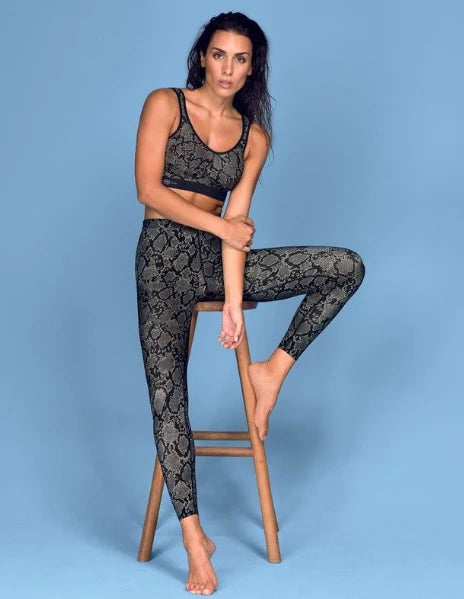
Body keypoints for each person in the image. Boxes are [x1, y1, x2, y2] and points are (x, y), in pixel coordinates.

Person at [134, 11, 365, 596]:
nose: (227, 68)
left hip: (214, 266)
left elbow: (236, 225)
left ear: (252, 67)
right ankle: (194, 538)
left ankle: (272, 371)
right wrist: (221, 230)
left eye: (240, 59)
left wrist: (234, 304)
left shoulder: (254, 138)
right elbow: (148, 189)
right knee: (168, 397)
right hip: (160, 263)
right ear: (202, 56)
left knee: (344, 267)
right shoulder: (165, 104)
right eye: (219, 55)